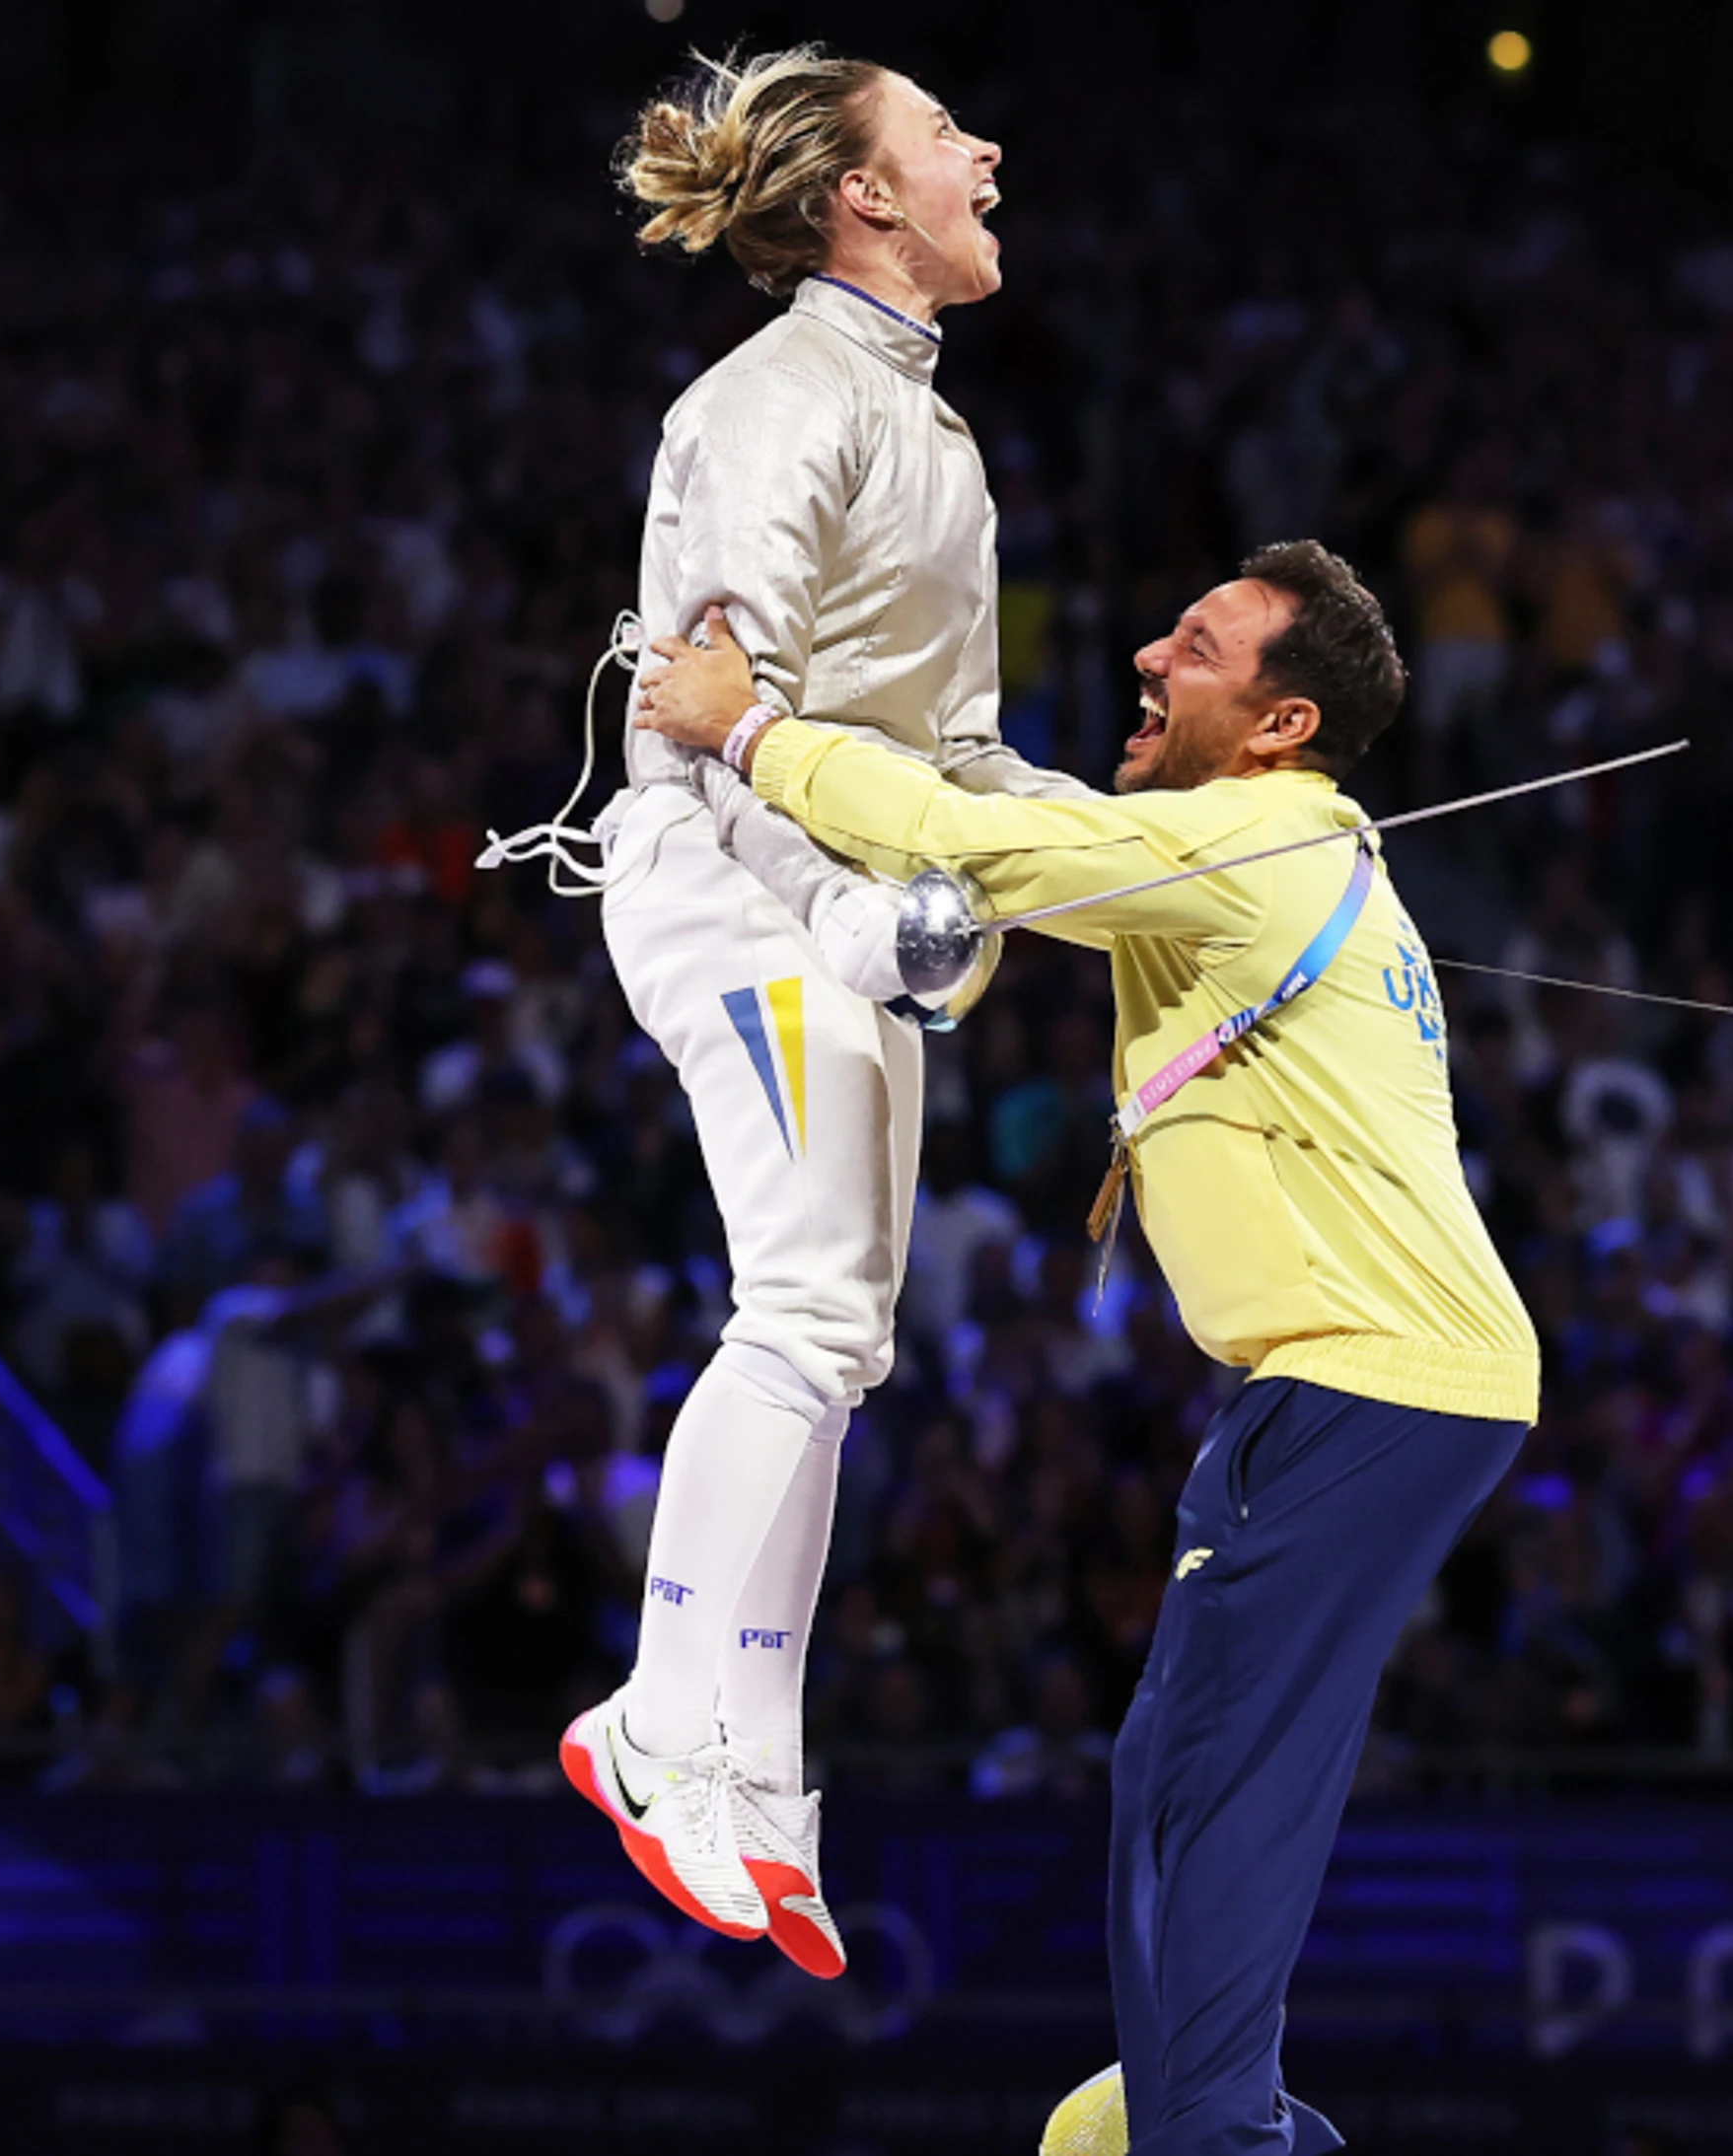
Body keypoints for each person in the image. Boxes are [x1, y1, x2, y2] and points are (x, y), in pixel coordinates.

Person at [635, 541, 1538, 2156]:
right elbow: (1031, 826)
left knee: (1203, 1764)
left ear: (1281, 723)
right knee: (1197, 1758)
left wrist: (750, 731)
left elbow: (993, 845)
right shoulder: (1261, 846)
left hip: (1365, 1381)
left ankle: (1210, 2133)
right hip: (1380, 1382)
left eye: (1197, 645)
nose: (1146, 651)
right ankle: (1216, 2109)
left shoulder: (1253, 846)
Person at [535, 40, 1058, 1983]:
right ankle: (657, 1724)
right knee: (806, 1313)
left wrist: (1175, 866)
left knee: (842, 1345)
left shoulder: (937, 436)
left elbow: (974, 763)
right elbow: (710, 700)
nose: (986, 148)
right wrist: (856, 906)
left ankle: (754, 1766)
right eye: (946, 134)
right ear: (861, 194)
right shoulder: (769, 404)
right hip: (740, 896)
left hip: (850, 922)